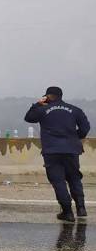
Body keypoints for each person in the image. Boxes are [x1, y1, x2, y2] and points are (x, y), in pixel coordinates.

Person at [25, 86, 91, 222]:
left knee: (58, 180)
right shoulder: (75, 110)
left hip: (52, 151)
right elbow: (85, 128)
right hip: (72, 150)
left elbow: (29, 118)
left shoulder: (42, 110)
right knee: (74, 177)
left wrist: (38, 104)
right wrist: (74, 138)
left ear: (48, 97)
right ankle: (81, 208)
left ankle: (67, 212)